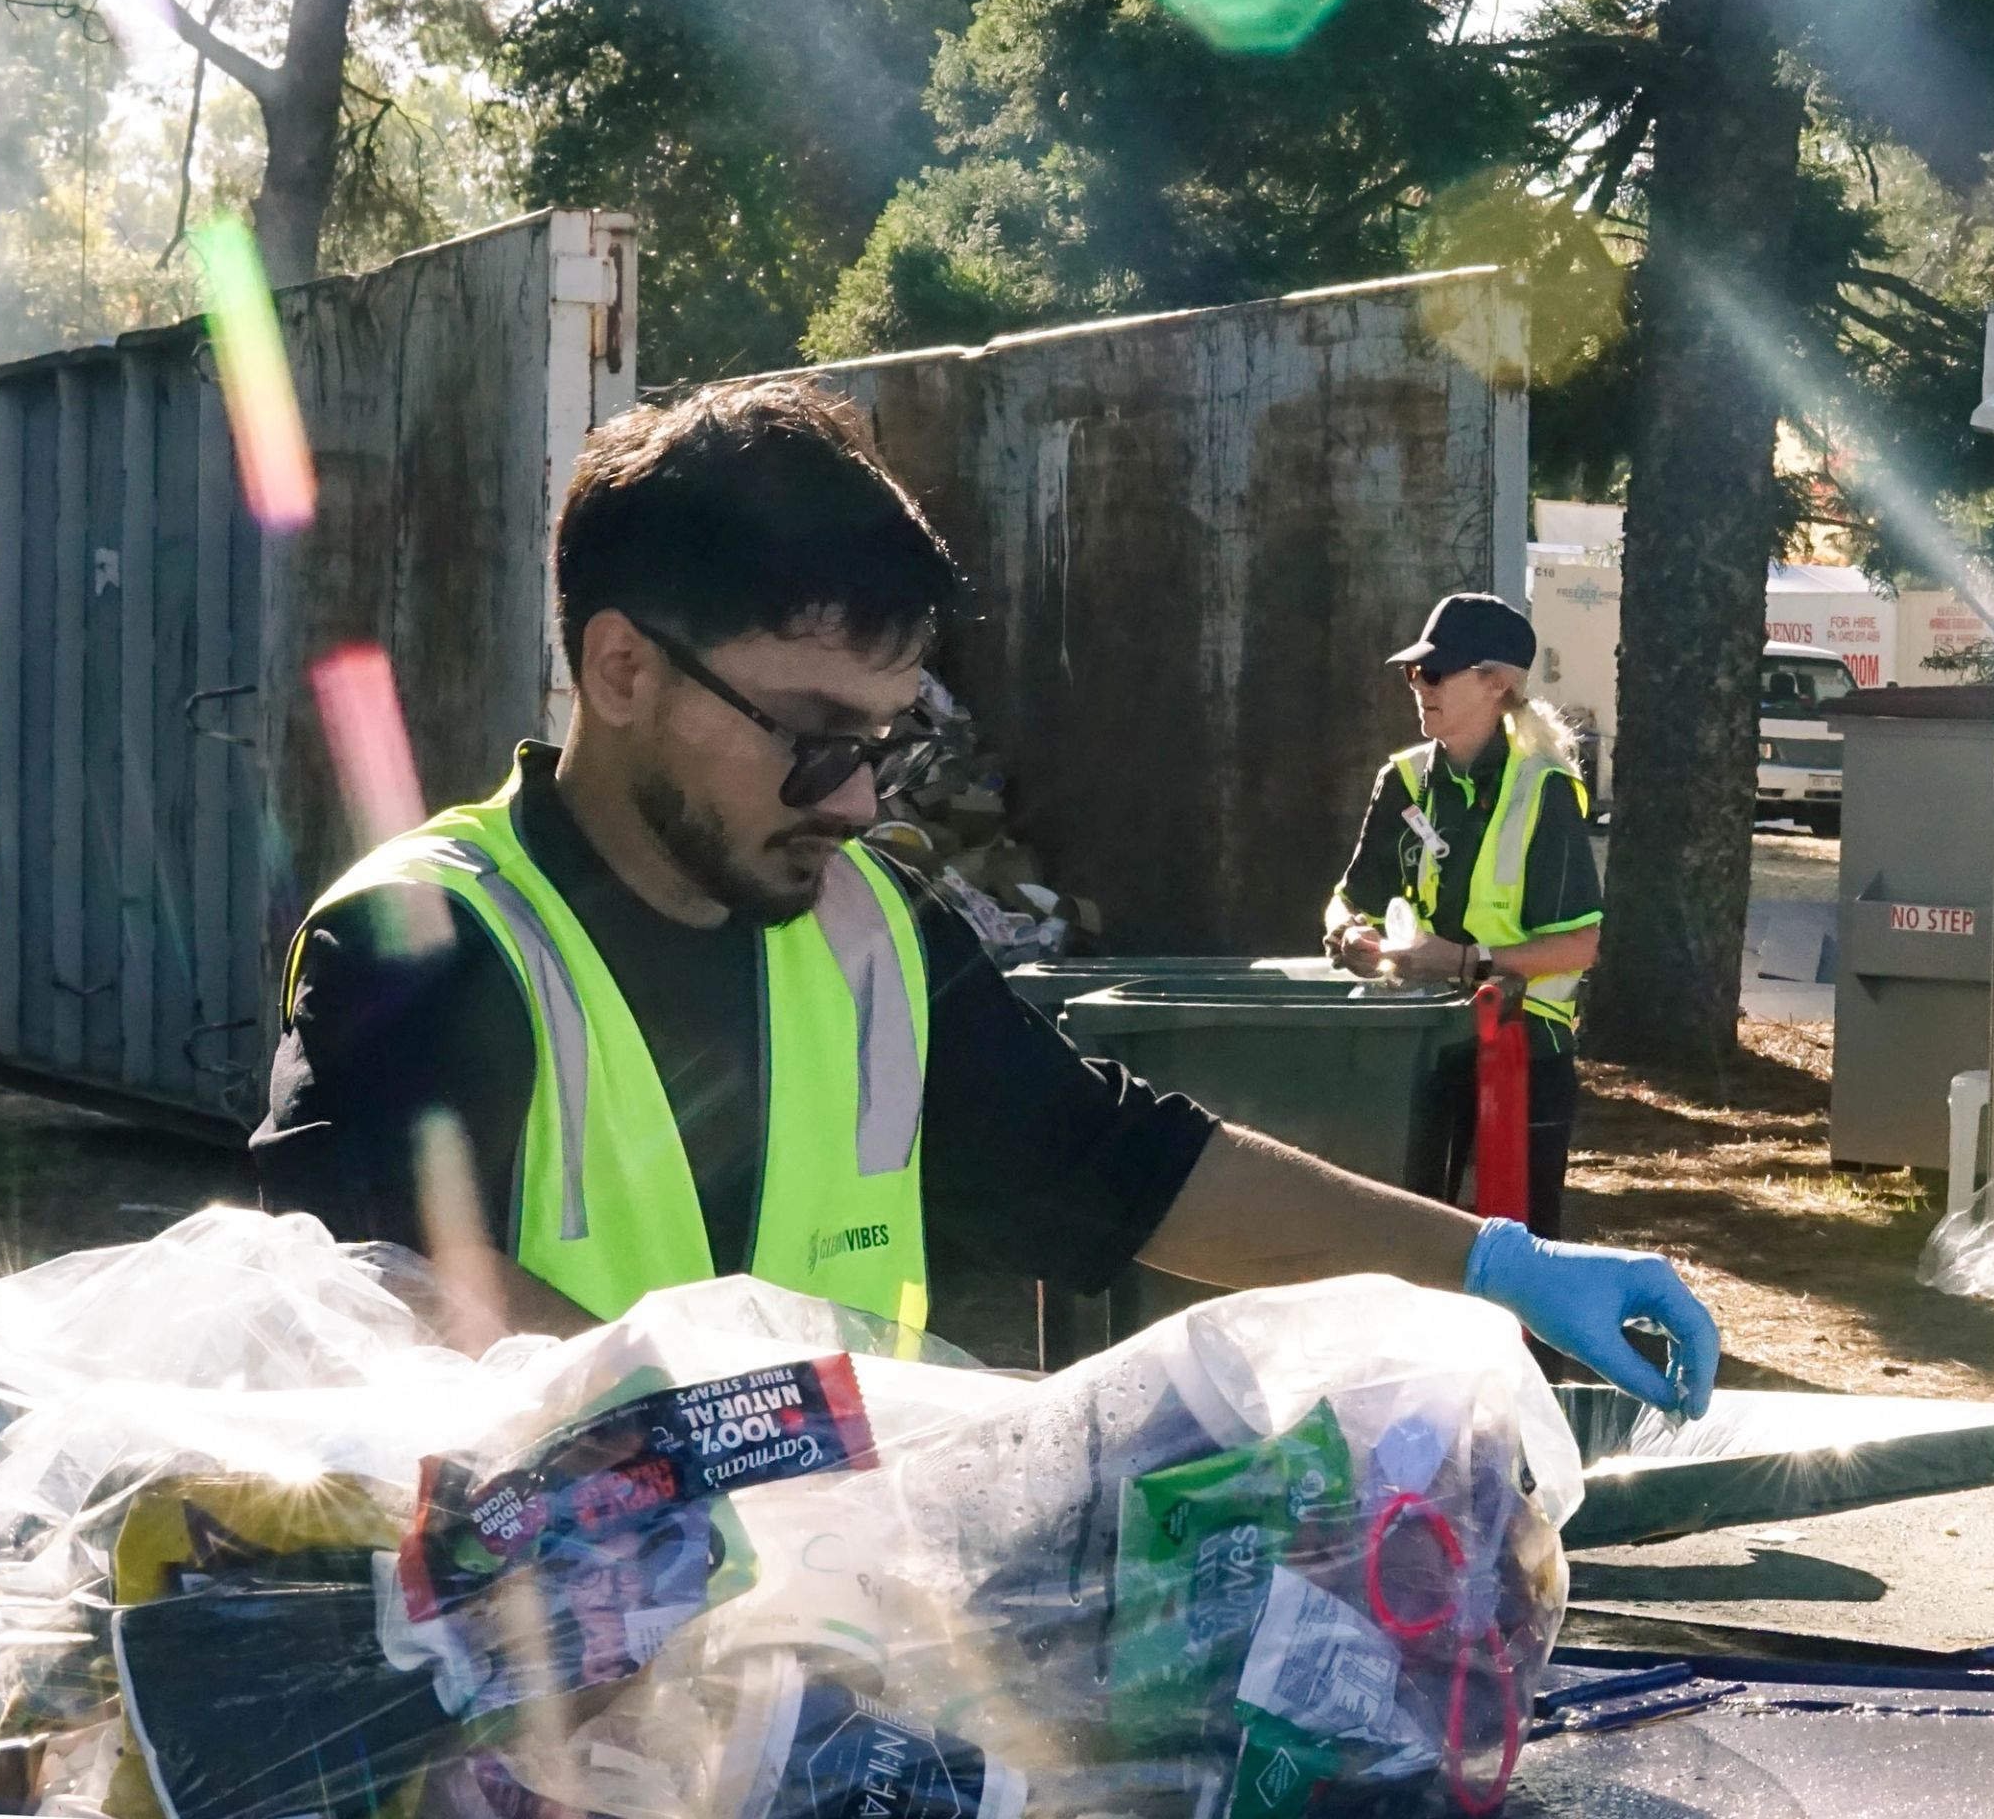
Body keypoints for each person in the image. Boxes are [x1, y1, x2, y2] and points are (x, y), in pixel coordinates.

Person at [254, 379, 1716, 1415]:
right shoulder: (423, 940)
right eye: (813, 736)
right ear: (622, 669)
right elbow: (360, 1296)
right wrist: (744, 1455)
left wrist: (1494, 1264)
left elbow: (1121, 1164)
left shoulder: (869, 935)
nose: (856, 800)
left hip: (819, 1684)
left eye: (884, 743)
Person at [1322, 594, 1601, 1236]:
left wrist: (1466, 961)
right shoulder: (1404, 779)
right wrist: (1345, 929)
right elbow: (1347, 895)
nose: (1418, 685)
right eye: (1412, 673)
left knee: (1517, 1239)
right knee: (1414, 1234)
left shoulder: (1544, 788)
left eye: (1436, 672)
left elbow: (1581, 945)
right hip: (1415, 1047)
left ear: (1496, 683)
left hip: (1523, 1050)